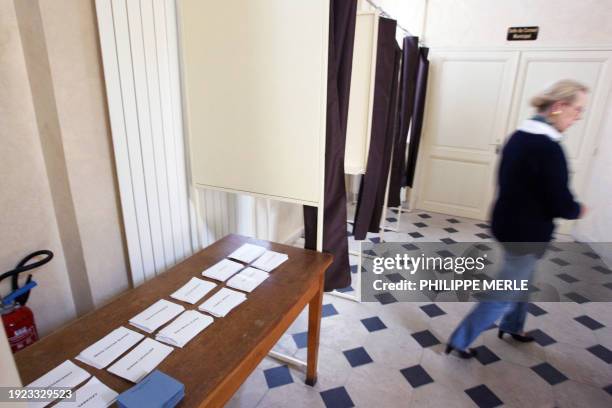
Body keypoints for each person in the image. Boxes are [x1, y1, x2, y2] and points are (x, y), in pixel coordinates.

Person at [445, 79, 588, 358]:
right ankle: (460, 340)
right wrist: (576, 209)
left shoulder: (520, 135)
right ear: (559, 107)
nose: (579, 117)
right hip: (526, 232)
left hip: (507, 222)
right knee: (504, 292)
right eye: (577, 110)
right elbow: (560, 201)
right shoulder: (549, 148)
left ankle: (512, 326)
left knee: (523, 278)